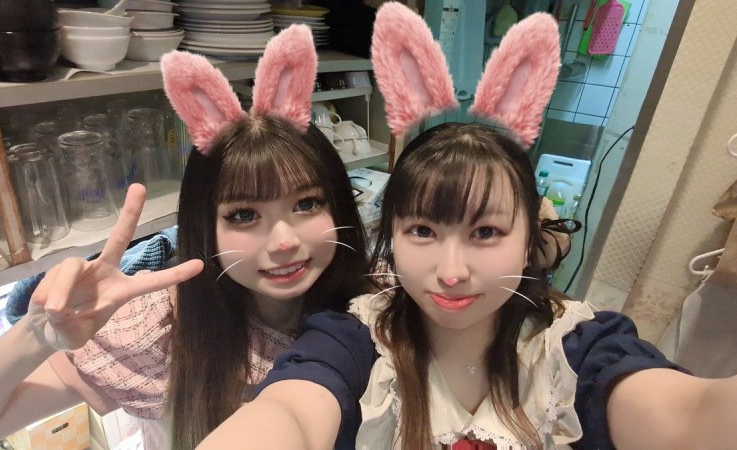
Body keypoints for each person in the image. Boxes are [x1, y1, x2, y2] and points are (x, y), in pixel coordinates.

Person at [200, 4, 737, 450]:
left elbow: (689, 418)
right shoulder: (355, 340)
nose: (451, 273)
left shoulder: (577, 348)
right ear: (391, 238)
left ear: (529, 241)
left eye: (485, 233)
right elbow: (290, 412)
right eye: (423, 232)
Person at [0, 25, 375, 450]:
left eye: (306, 204)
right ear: (205, 227)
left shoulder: (373, 301)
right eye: (244, 215)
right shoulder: (162, 331)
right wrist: (34, 336)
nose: (283, 242)